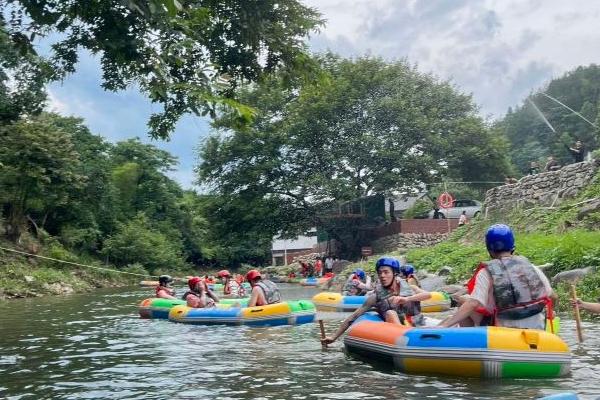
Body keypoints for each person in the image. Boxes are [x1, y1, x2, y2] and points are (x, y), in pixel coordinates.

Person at [437, 224, 557, 329]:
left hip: (504, 330)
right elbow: (552, 295)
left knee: (464, 304)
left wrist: (445, 326)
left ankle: (470, 347)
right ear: (512, 247)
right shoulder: (531, 267)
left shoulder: (486, 272)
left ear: (490, 250)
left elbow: (473, 303)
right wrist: (552, 313)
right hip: (537, 327)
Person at [321, 257, 431, 345]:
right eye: (380, 273)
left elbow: (428, 295)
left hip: (418, 325)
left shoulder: (410, 288)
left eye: (386, 272)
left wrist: (407, 299)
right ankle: (411, 338)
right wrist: (333, 337)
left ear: (394, 273)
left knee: (449, 319)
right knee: (390, 313)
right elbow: (353, 317)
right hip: (403, 333)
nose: (382, 276)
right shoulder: (375, 297)